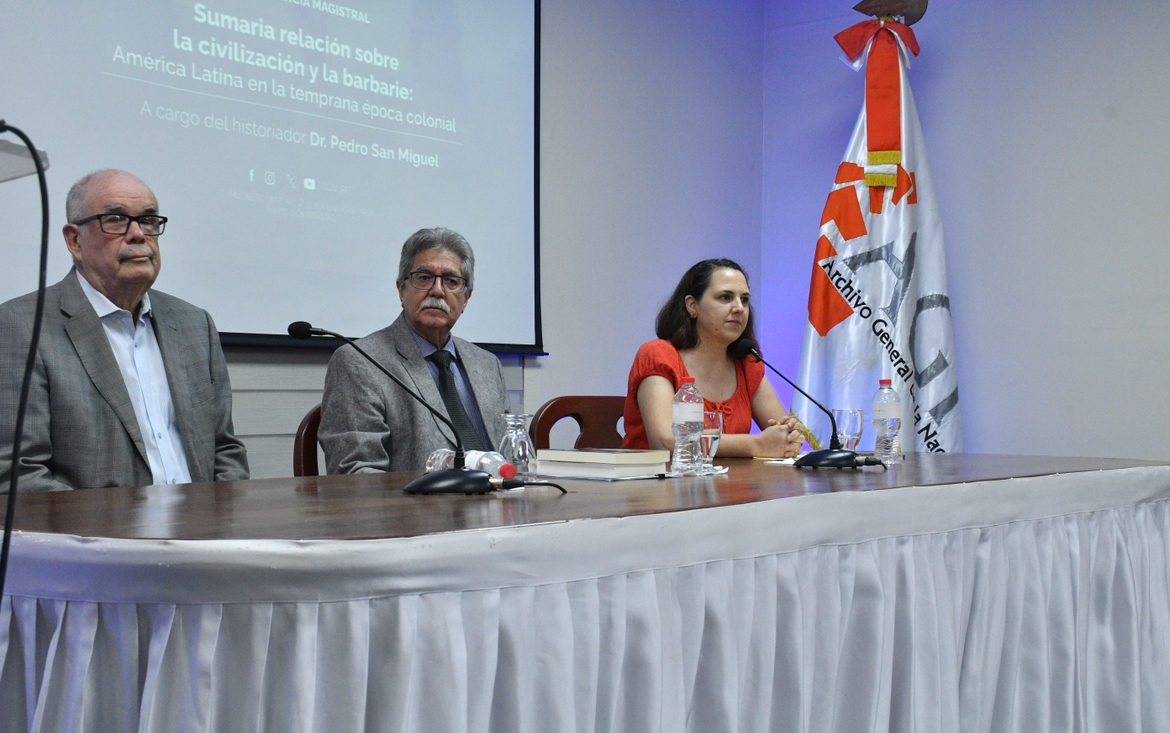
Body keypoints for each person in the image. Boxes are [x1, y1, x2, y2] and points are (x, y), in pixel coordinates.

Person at [0, 170, 249, 493]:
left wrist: (220, 513)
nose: (138, 234)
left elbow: (225, 450)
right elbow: (18, 473)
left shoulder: (195, 324)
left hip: (203, 521)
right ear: (75, 240)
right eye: (116, 220)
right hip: (98, 525)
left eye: (148, 221)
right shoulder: (21, 326)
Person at [319, 227, 509, 473]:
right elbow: (357, 471)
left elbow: (512, 455)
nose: (437, 290)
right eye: (424, 278)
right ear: (402, 289)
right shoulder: (359, 362)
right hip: (416, 499)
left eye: (451, 281)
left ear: (466, 298)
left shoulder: (488, 365)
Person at [622, 258, 806, 458]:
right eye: (725, 297)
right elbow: (664, 441)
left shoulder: (746, 363)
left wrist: (789, 435)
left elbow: (782, 434)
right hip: (655, 477)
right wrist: (756, 444)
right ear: (692, 305)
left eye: (744, 300)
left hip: (732, 478)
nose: (739, 308)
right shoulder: (658, 355)